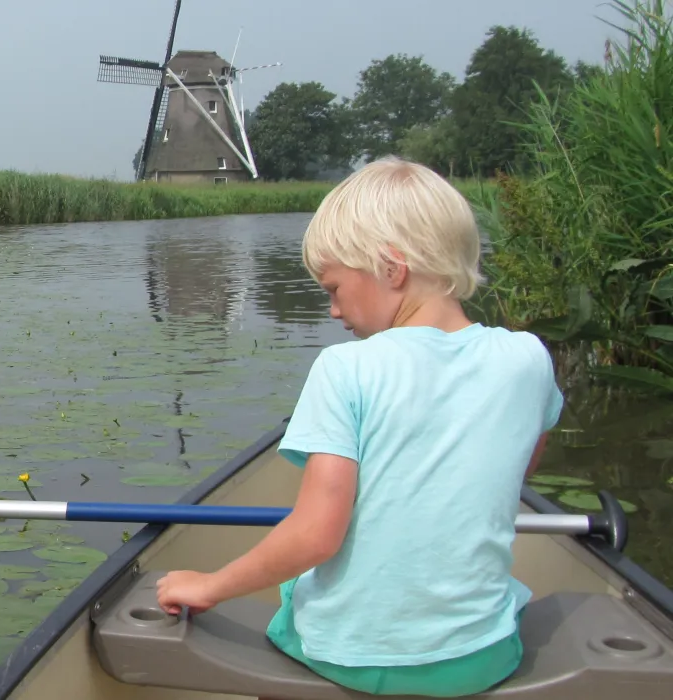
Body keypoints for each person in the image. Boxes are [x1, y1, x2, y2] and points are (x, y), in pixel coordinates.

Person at [155, 157, 563, 697]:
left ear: (391, 269)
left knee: (296, 601)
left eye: (333, 288)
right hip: (483, 656)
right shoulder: (528, 357)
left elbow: (316, 535)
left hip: (352, 659)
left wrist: (210, 585)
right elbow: (518, 469)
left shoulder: (348, 367)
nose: (331, 311)